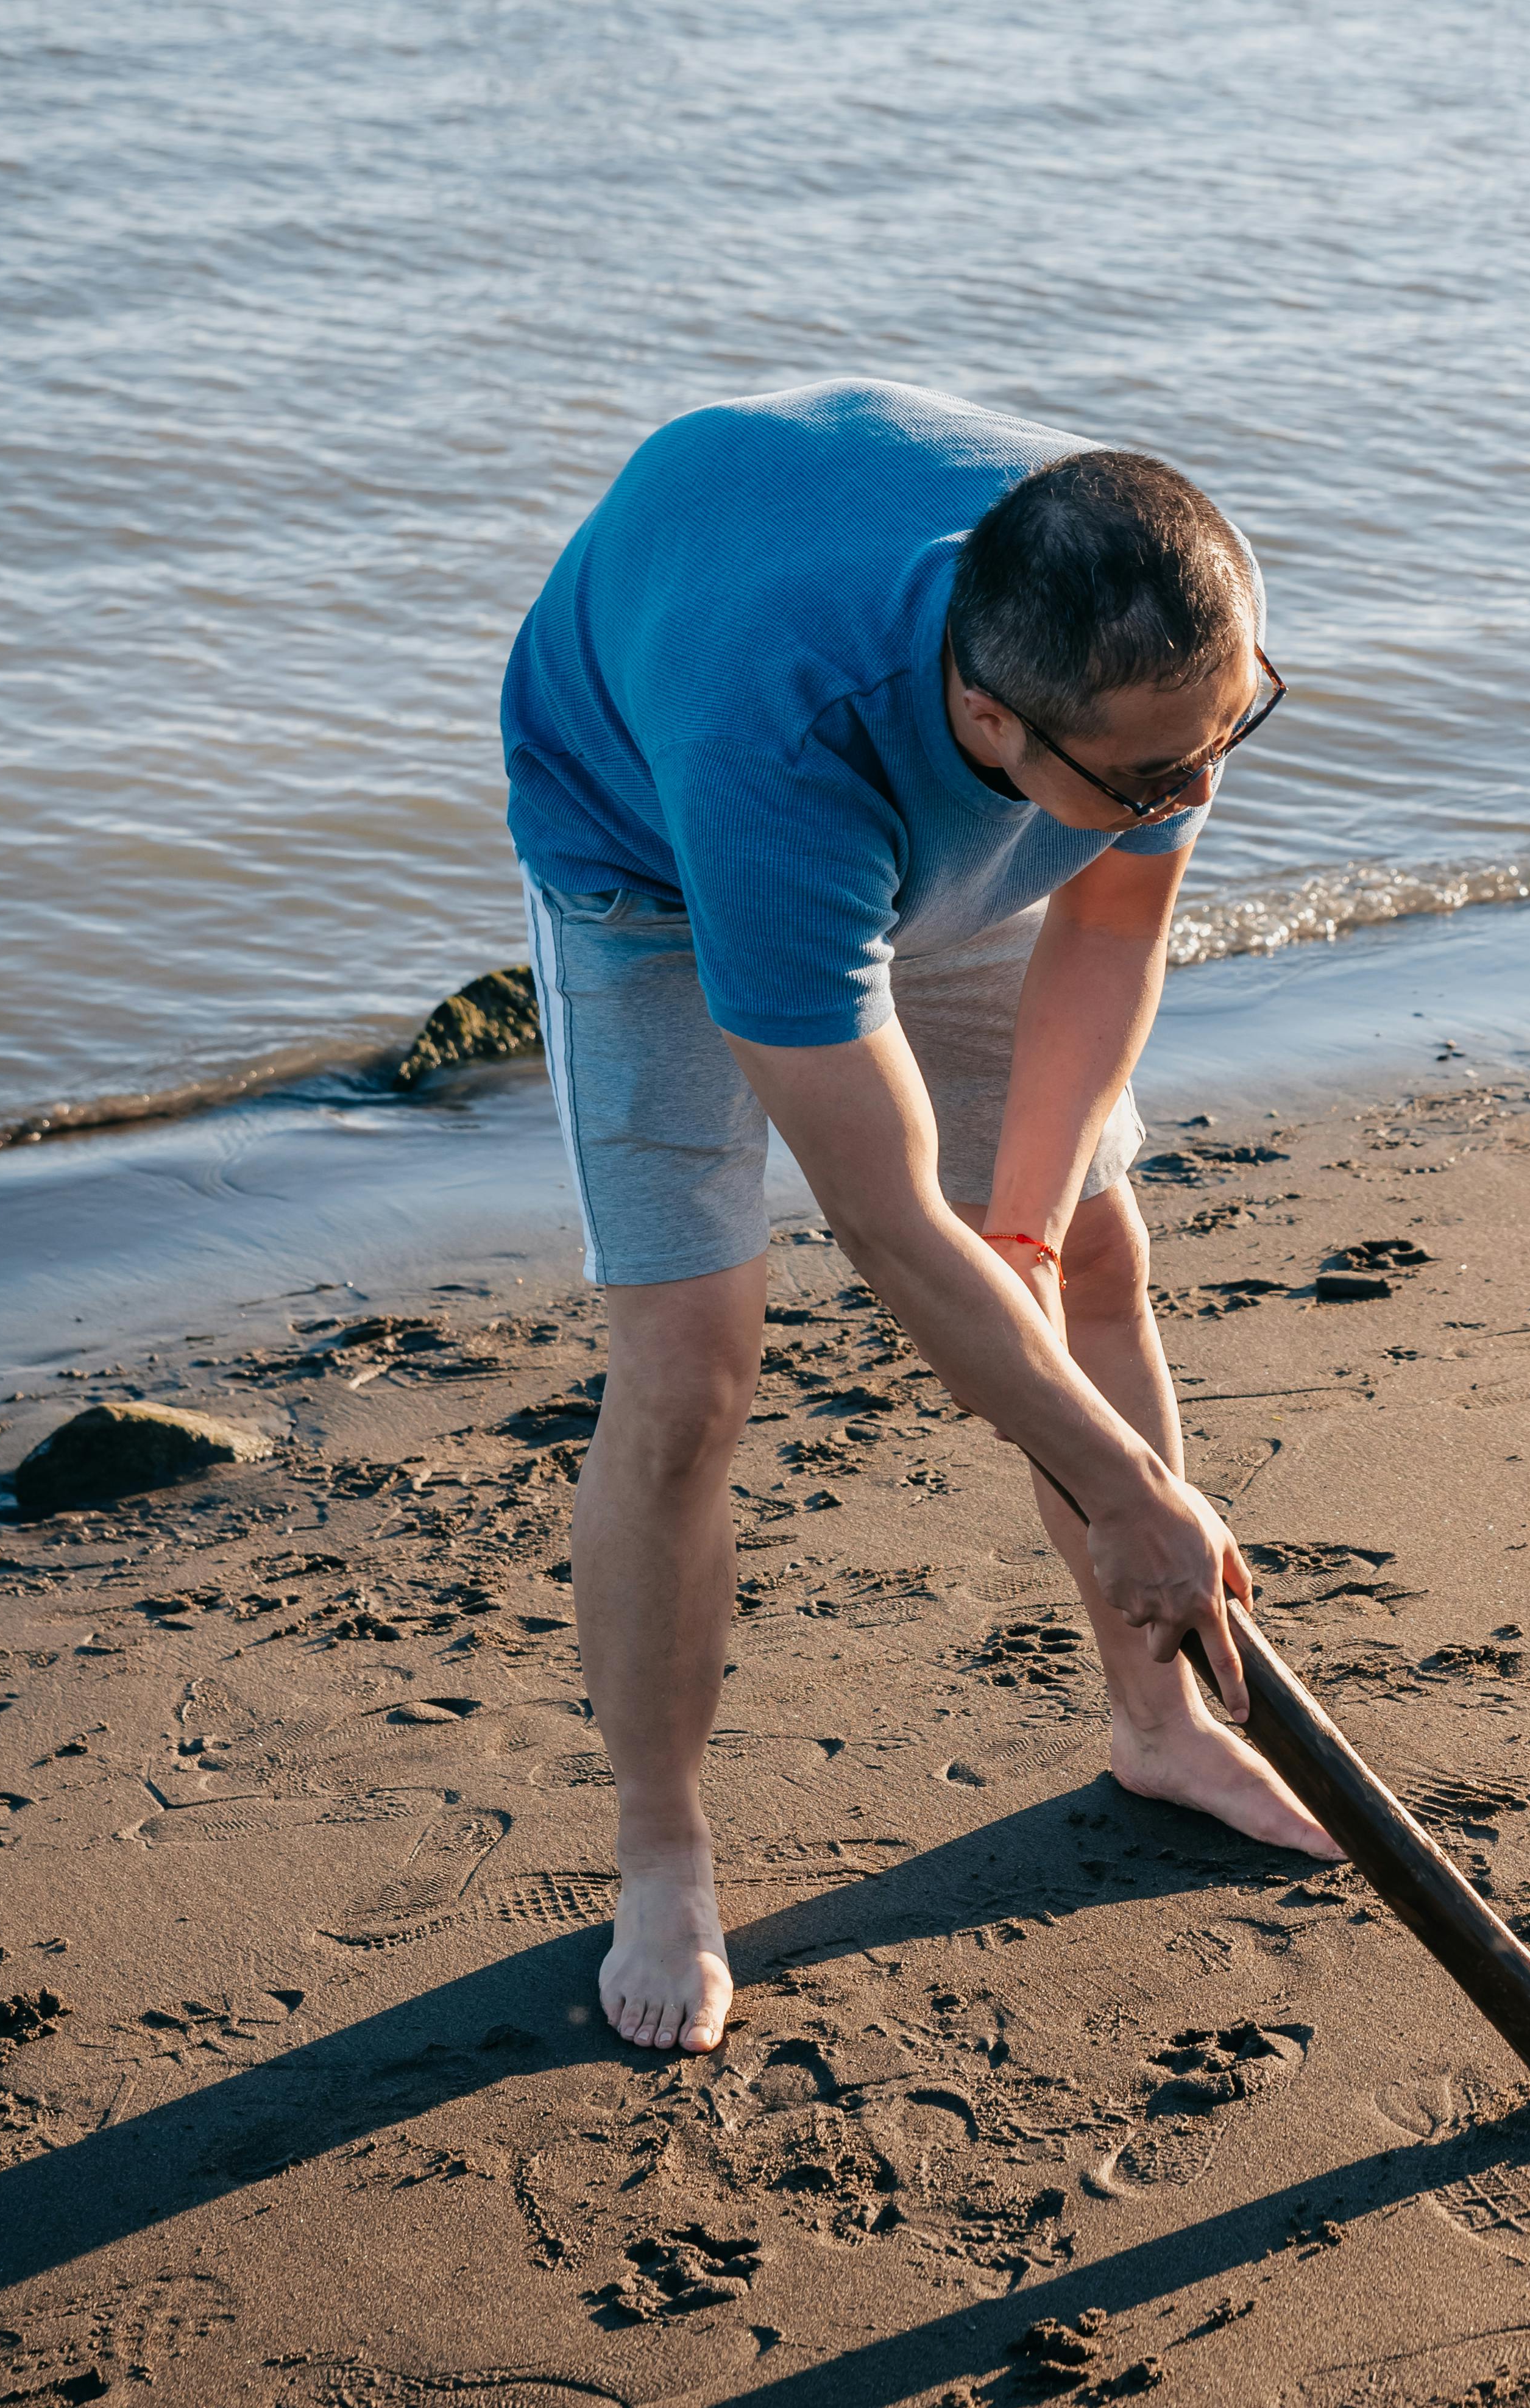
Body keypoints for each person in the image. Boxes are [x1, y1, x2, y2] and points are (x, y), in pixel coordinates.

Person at [503, 378, 1341, 2059]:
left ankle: (1154, 1721)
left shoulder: (1158, 642)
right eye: (1158, 768)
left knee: (1094, 1246)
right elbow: (883, 1228)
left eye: (1224, 734)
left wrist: (1027, 1220)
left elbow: (1109, 924)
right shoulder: (777, 761)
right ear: (990, 724)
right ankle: (662, 1846)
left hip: (957, 786)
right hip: (652, 852)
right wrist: (1130, 1496)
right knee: (691, 1365)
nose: (1198, 784)